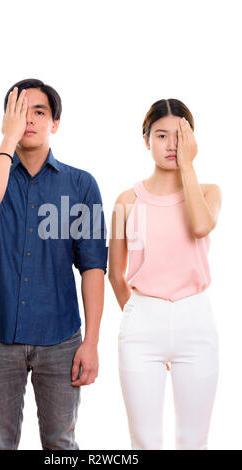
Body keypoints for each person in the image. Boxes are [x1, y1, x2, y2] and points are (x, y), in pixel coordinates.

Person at [0, 78, 107, 450]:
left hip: (60, 338)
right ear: (7, 119)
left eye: (39, 111)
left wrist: (91, 342)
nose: (30, 120)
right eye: (20, 111)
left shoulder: (82, 185)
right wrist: (7, 143)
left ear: (55, 123)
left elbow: (92, 267)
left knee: (60, 443)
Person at [108, 98, 222, 450]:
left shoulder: (207, 192)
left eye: (179, 136)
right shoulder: (127, 200)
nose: (171, 145)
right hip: (142, 320)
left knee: (193, 439)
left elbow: (201, 226)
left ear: (192, 141)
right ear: (146, 140)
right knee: (144, 441)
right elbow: (115, 274)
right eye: (161, 136)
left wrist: (188, 167)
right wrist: (142, 315)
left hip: (195, 321)